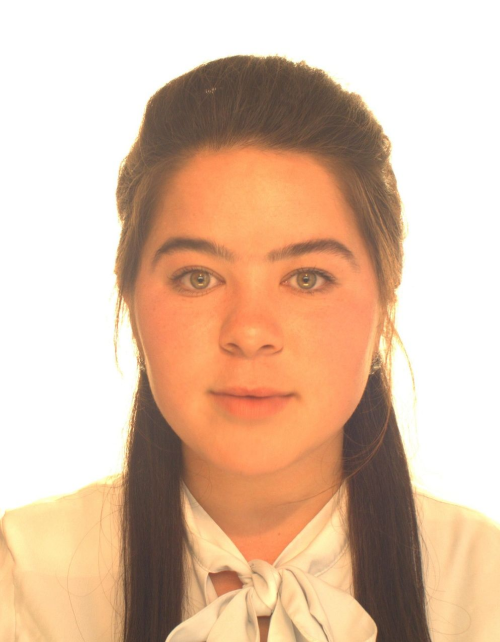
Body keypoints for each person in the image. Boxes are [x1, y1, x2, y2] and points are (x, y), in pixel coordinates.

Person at [1, 54, 499, 642]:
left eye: (307, 278)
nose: (249, 331)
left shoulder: (484, 582)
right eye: (198, 277)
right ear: (130, 296)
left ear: (385, 297)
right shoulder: (22, 579)